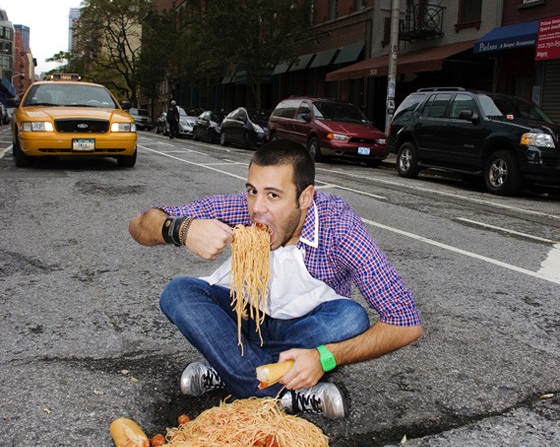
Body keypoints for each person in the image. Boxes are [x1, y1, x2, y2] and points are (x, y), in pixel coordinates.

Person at [128, 139, 422, 419]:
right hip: (246, 319)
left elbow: (405, 323)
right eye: (252, 191)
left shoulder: (339, 228)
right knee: (178, 292)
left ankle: (228, 368)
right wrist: (180, 229)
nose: (257, 208)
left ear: (305, 197)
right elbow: (139, 224)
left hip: (302, 331)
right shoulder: (241, 208)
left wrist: (325, 358)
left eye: (273, 195)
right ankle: (286, 395)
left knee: (350, 318)